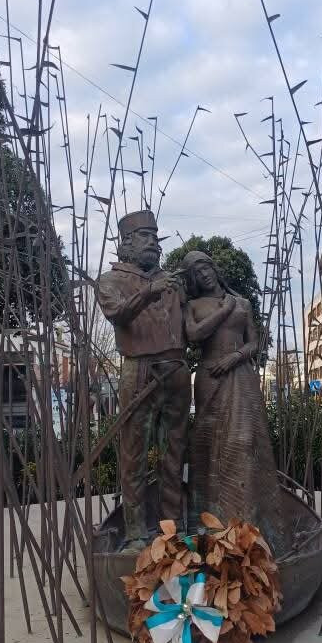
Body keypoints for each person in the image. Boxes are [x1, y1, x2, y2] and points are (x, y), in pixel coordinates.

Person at [96, 210, 190, 552]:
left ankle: (172, 527)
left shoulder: (172, 281)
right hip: (140, 369)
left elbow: (190, 323)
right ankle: (136, 533)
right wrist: (150, 292)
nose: (153, 242)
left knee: (174, 452)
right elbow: (117, 314)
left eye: (155, 236)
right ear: (126, 243)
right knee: (134, 454)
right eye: (144, 236)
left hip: (176, 368)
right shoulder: (110, 280)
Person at [182, 250, 286, 554]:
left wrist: (235, 357)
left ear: (214, 268)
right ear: (192, 280)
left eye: (205, 267)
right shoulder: (192, 305)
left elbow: (254, 342)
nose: (204, 275)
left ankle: (245, 525)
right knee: (208, 446)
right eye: (196, 273)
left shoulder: (242, 302)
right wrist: (223, 310)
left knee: (242, 442)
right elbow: (193, 335)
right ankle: (207, 528)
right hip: (209, 377)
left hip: (240, 376)